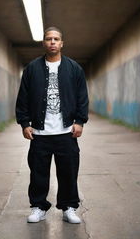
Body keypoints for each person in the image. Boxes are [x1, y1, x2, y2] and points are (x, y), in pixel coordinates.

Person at [15, 26, 89, 224]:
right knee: (38, 173)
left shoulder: (74, 69)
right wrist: (24, 123)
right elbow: (23, 98)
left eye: (56, 39)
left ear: (62, 43)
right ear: (44, 43)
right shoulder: (32, 69)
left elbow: (82, 97)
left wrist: (80, 121)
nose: (53, 42)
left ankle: (69, 207)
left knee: (68, 172)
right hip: (40, 132)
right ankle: (39, 207)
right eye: (49, 39)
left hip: (66, 132)